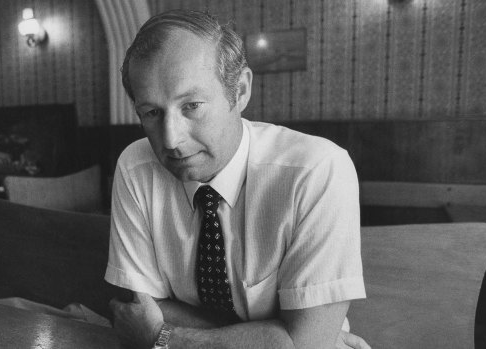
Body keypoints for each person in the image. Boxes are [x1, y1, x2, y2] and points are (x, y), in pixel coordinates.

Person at [105, 9, 369, 349]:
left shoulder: (317, 171)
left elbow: (306, 344)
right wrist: (276, 337)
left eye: (192, 105)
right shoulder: (136, 166)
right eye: (152, 113)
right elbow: (140, 309)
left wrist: (164, 336)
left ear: (240, 90)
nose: (170, 139)